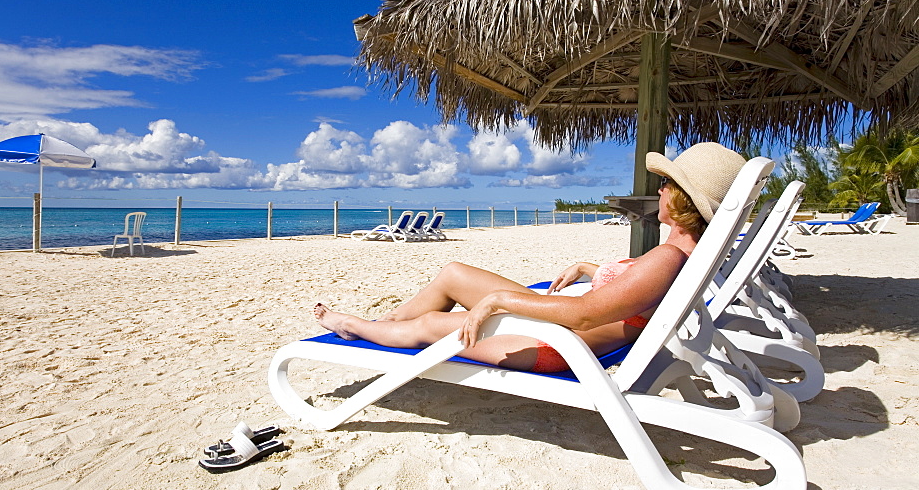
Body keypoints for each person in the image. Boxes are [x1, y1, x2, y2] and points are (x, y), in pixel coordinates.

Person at [315, 142, 748, 373]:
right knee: (453, 272)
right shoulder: (676, 256)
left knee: (429, 326)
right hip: (556, 328)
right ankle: (385, 326)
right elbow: (637, 295)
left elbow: (582, 316)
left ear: (686, 199)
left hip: (556, 344)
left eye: (669, 184)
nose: (660, 190)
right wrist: (589, 268)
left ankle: (353, 325)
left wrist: (499, 302)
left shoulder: (668, 257)